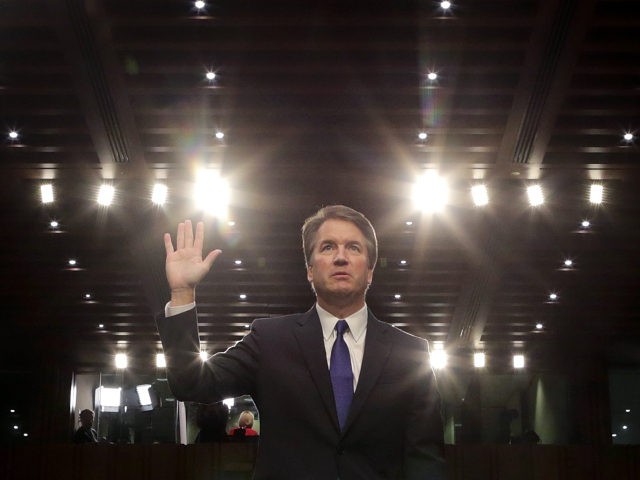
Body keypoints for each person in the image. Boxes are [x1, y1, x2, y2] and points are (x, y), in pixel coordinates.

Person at [156, 205, 445, 479]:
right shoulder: (269, 340)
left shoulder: (410, 354)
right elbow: (190, 382)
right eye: (328, 246)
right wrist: (182, 292)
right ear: (309, 269)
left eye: (353, 247)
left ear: (370, 271)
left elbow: (425, 458)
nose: (340, 257)